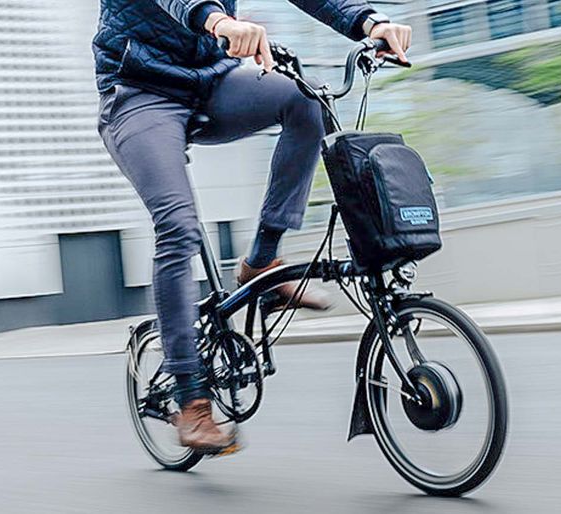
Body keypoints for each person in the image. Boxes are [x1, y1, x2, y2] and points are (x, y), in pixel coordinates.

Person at [94, 0, 412, 453]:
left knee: (306, 100)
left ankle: (262, 262)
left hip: (210, 80)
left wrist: (370, 23)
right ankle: (191, 399)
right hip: (138, 91)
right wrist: (218, 20)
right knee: (178, 228)